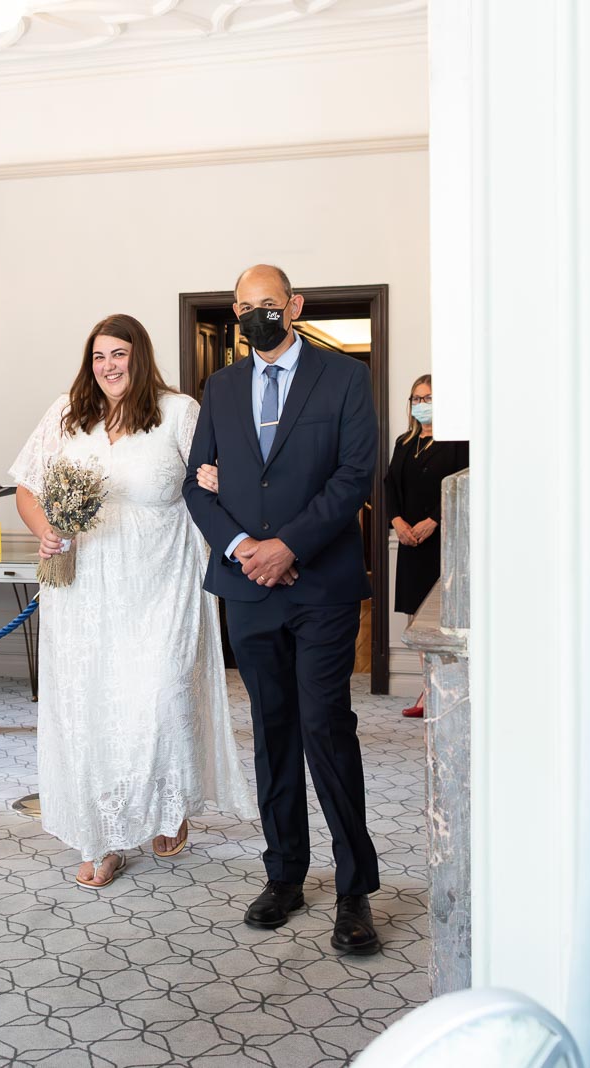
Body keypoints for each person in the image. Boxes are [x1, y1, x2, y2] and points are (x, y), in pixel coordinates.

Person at [11, 314, 257, 890]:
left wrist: (225, 483)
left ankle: (167, 804)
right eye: (99, 356)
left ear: (139, 357)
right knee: (92, 706)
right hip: (83, 588)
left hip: (160, 585)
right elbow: (27, 487)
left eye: (119, 354)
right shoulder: (67, 414)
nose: (108, 366)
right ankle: (104, 835)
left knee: (158, 698)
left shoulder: (178, 412)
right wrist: (45, 527)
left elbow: (209, 482)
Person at [182, 264, 383, 956]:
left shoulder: (345, 379)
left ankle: (355, 888)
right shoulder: (223, 386)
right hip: (248, 589)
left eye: (267, 304)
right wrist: (245, 548)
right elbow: (197, 484)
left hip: (320, 584)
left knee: (327, 728)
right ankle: (286, 874)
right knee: (272, 734)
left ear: (293, 306)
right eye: (243, 307)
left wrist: (287, 545)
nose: (255, 316)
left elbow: (356, 474)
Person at [385, 374, 468, 717]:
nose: (421, 404)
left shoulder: (457, 441)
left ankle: (435, 694)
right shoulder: (405, 442)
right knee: (414, 621)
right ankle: (425, 689)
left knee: (438, 621)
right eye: (416, 399)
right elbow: (390, 486)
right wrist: (397, 522)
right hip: (409, 544)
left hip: (442, 542)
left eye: (428, 398)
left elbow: (462, 485)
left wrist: (433, 520)